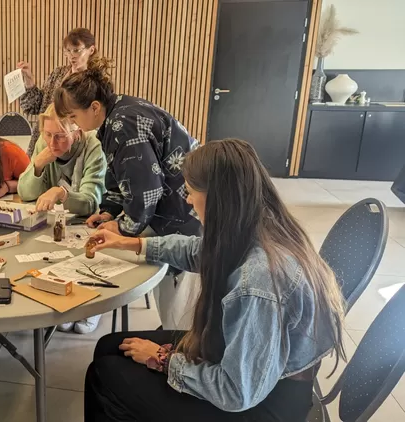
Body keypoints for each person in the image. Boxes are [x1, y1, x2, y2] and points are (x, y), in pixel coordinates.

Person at [83, 139, 347, 421]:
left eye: (192, 191)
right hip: (259, 372)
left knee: (104, 375)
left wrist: (164, 360)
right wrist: (130, 243)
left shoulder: (257, 281)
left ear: (218, 198)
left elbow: (234, 392)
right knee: (109, 347)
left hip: (265, 403)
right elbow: (199, 251)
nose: (186, 199)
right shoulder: (260, 222)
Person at [54, 57, 202, 330]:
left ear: (94, 107)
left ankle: (176, 346)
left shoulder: (124, 124)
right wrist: (109, 210)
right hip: (175, 205)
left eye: (74, 116)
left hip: (183, 213)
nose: (73, 124)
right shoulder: (117, 112)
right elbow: (120, 174)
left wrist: (122, 228)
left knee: (177, 304)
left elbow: (146, 191)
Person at [17, 103, 107, 334]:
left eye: (60, 136)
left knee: (91, 250)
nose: (52, 143)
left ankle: (92, 305)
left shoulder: (93, 146)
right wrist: (37, 164)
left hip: (90, 223)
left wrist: (60, 193)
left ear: (77, 133)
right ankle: (64, 297)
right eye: (47, 134)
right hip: (55, 226)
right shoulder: (43, 145)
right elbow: (26, 194)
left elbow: (90, 203)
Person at [18, 28, 98, 156]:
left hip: (75, 147)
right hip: (44, 141)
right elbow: (34, 107)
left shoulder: (96, 82)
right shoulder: (58, 74)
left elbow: (96, 121)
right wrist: (29, 81)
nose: (72, 55)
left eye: (77, 50)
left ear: (91, 50)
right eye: (68, 51)